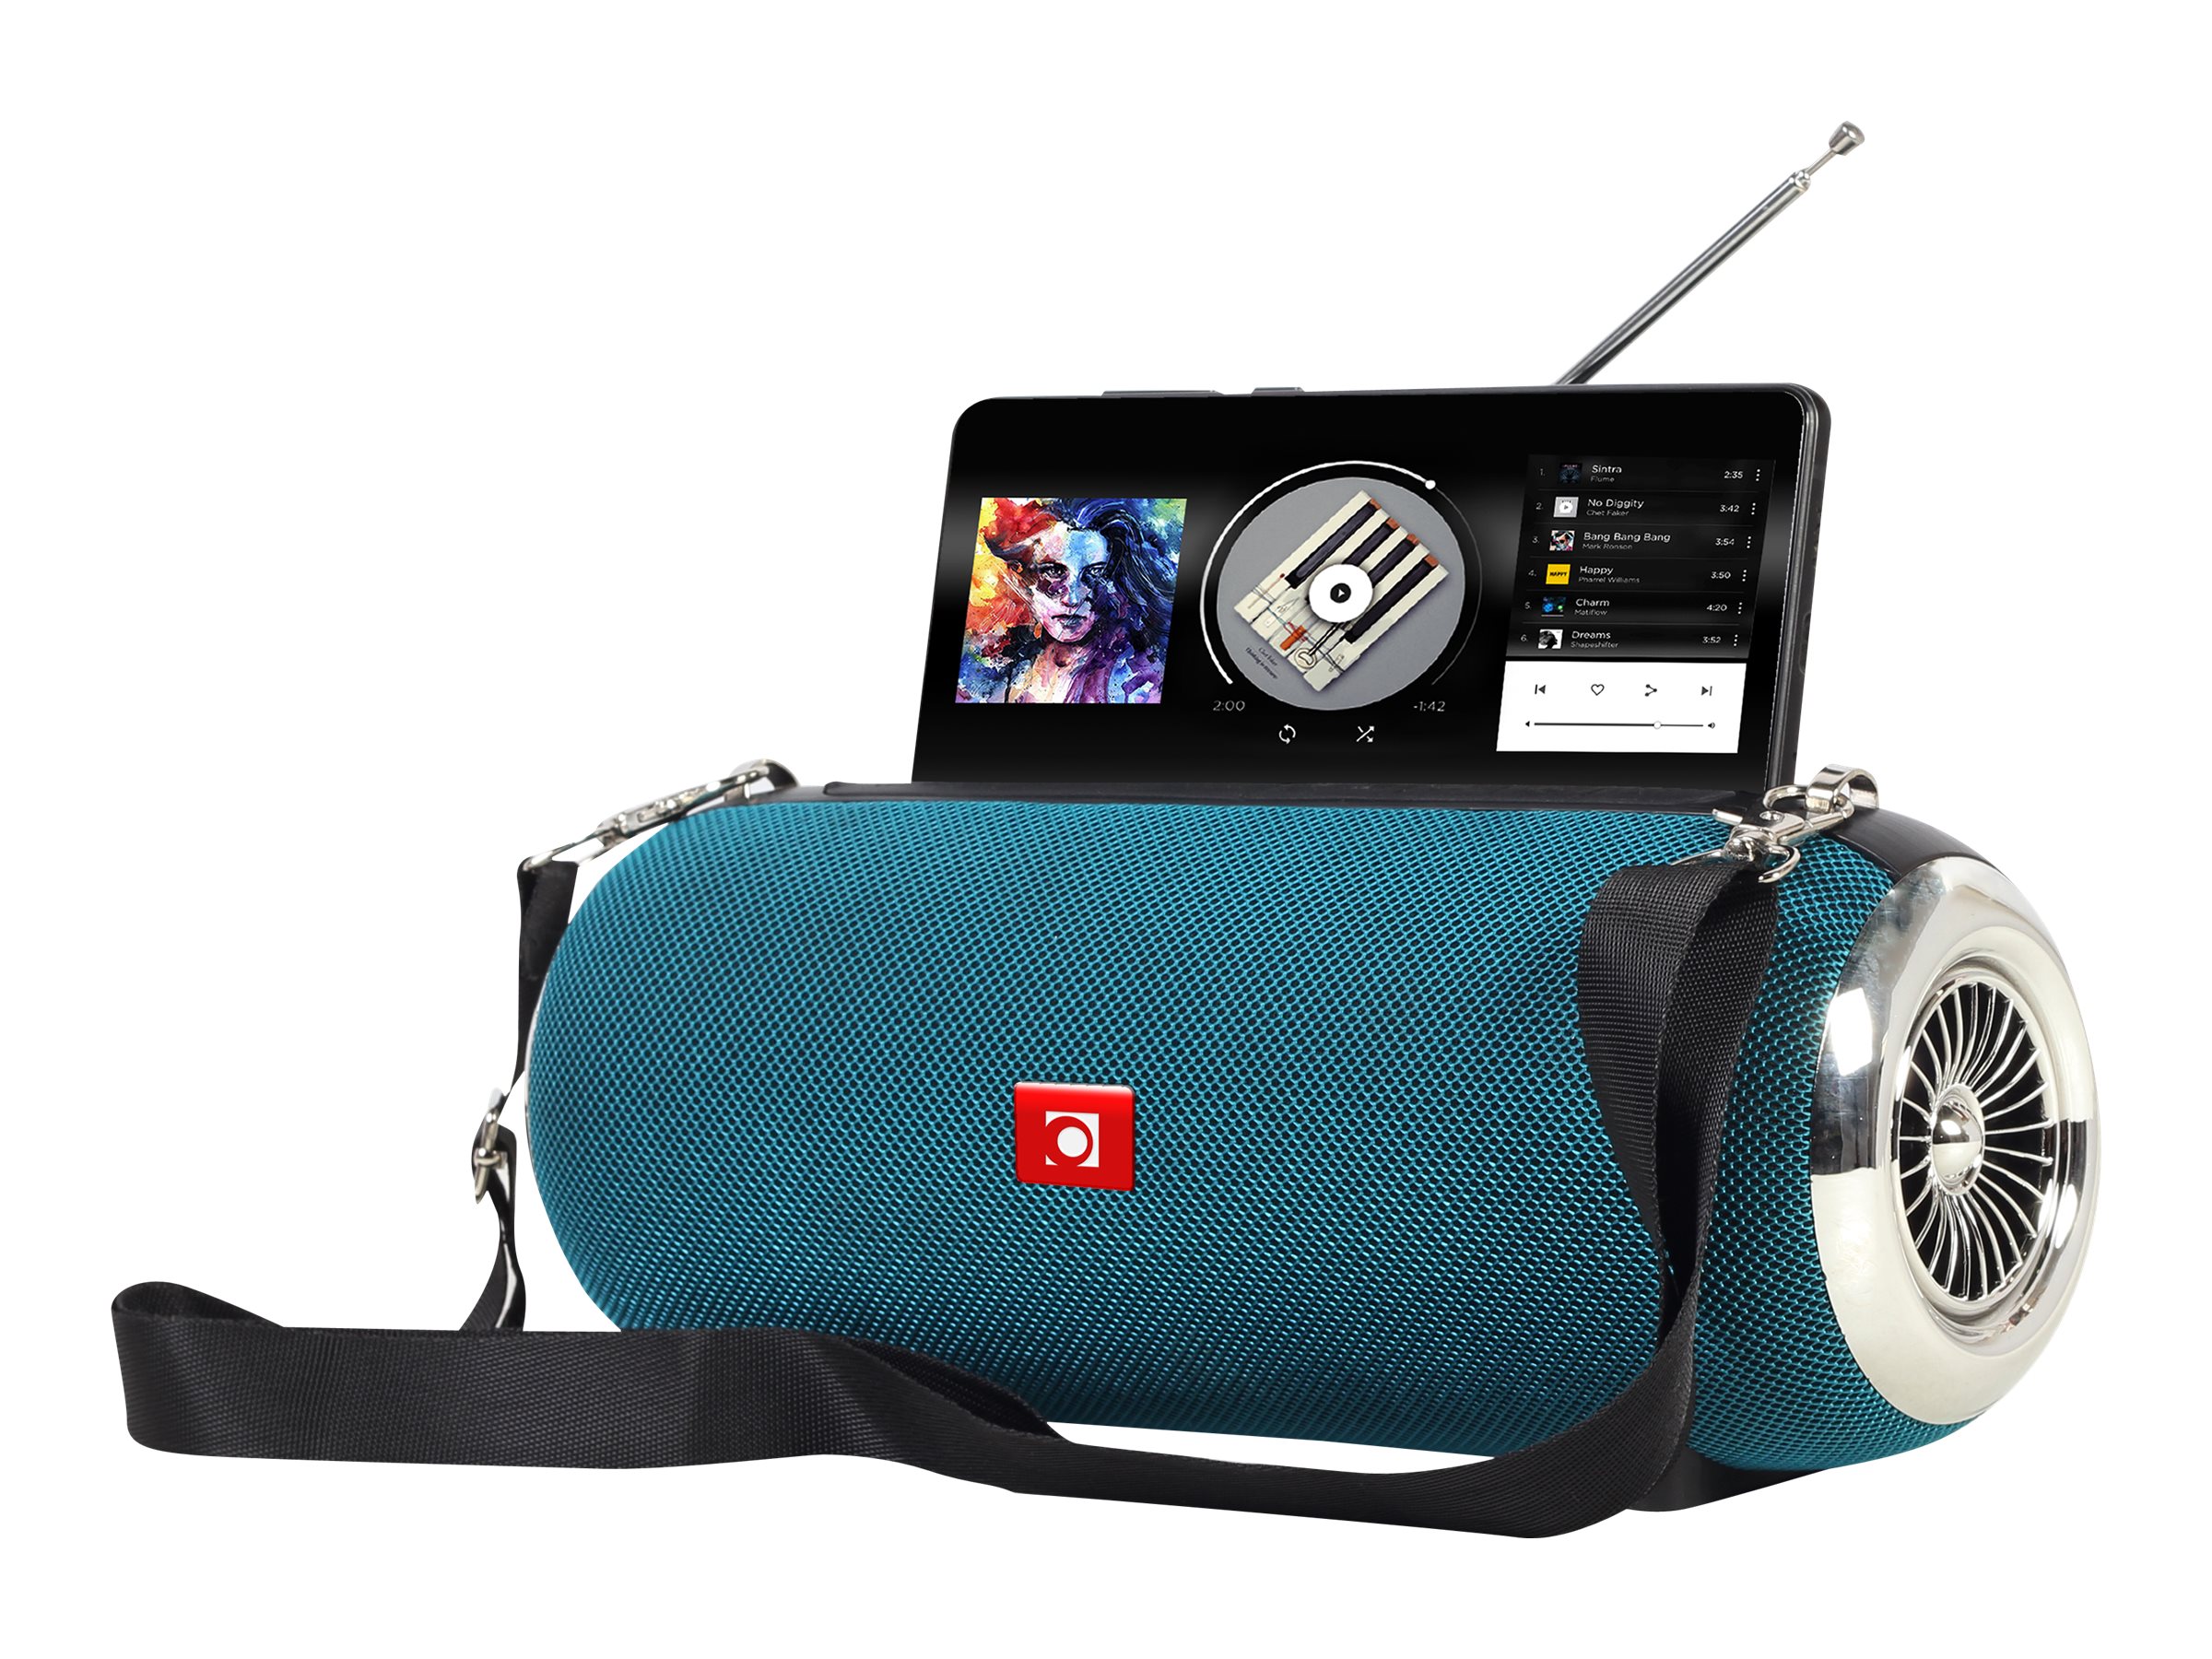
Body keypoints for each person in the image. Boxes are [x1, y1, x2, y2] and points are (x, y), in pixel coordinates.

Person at [957, 497, 1181, 703]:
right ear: (1021, 577)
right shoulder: (1004, 663)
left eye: (1094, 573)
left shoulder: (1135, 678)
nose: (1073, 598)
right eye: (1053, 571)